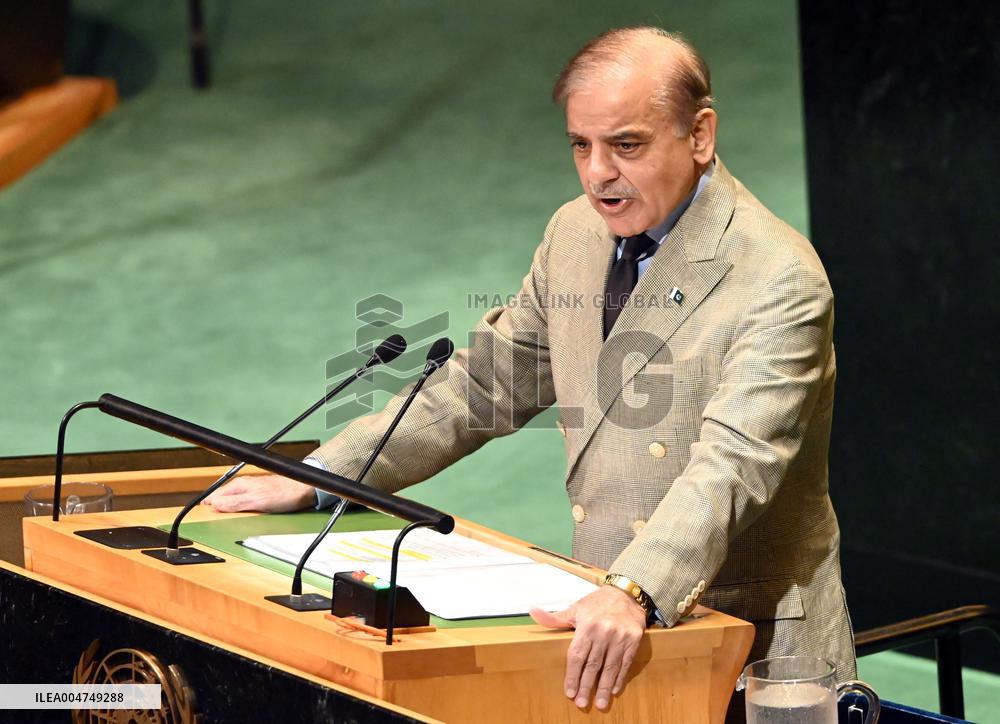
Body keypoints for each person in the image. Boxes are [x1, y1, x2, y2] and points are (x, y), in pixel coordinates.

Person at [206, 26, 856, 715]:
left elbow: (733, 464)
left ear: (700, 135)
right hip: (606, 637)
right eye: (582, 145)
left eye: (626, 145)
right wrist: (325, 474)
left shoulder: (777, 276)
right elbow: (483, 386)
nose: (598, 172)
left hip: (743, 652)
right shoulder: (575, 234)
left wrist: (637, 587)